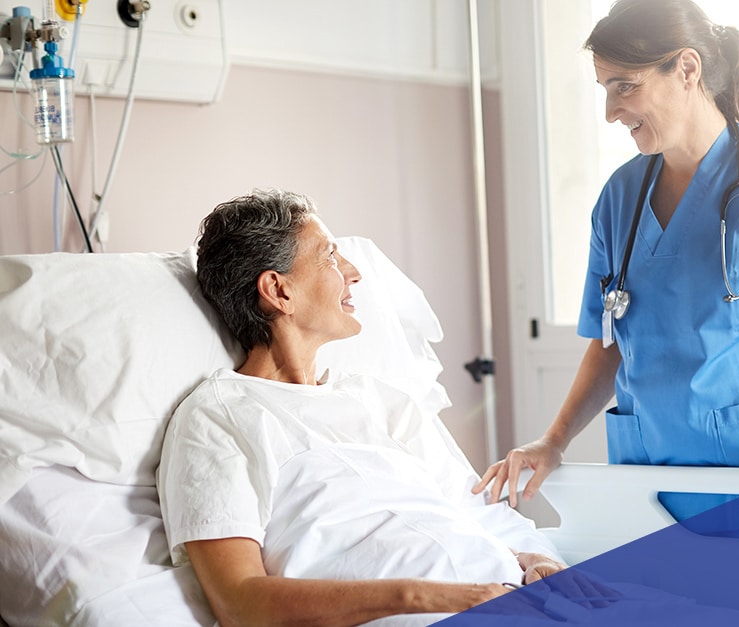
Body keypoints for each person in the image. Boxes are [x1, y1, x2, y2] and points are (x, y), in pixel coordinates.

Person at [475, 0, 739, 511]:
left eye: (624, 86)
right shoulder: (619, 199)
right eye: (605, 90)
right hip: (645, 488)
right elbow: (611, 343)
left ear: (687, 69)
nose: (610, 113)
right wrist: (553, 440)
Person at [157, 189, 605, 626]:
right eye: (330, 257)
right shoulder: (219, 417)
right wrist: (427, 596)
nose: (353, 273)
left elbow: (475, 511)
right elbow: (240, 604)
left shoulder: (379, 401)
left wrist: (536, 560)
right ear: (278, 290)